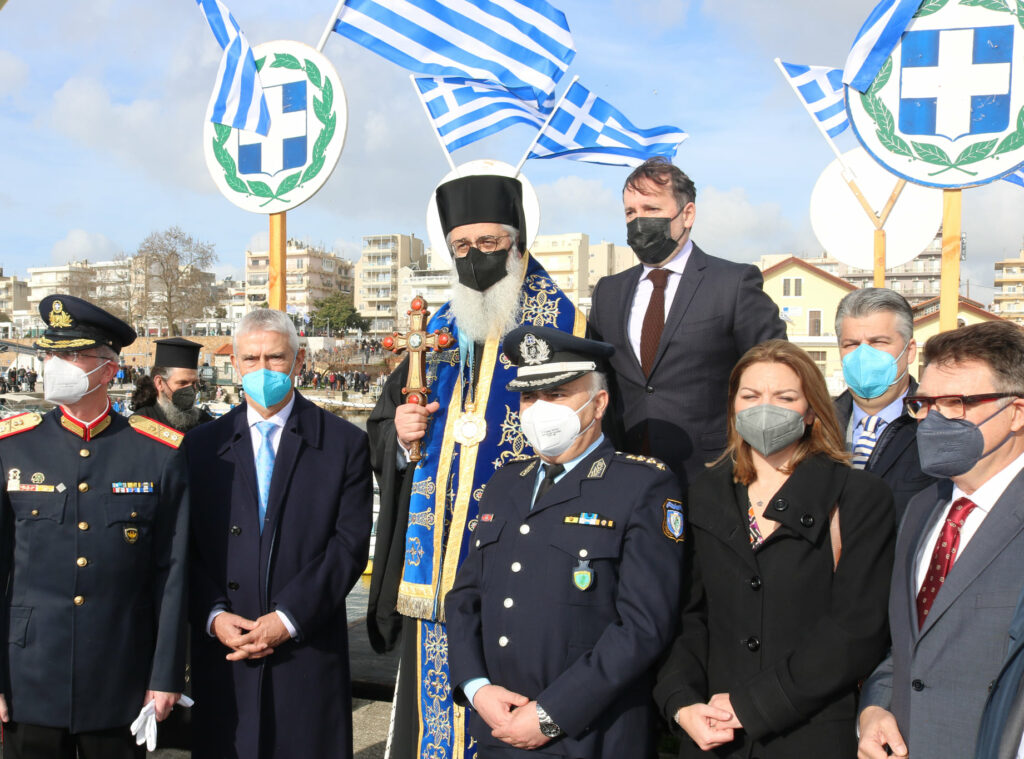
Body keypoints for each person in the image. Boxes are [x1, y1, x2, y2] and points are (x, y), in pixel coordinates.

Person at [367, 173, 584, 759]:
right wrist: (404, 438)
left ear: (517, 242)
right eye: (461, 247)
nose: (476, 257)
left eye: (489, 243)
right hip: (436, 561)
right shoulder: (433, 328)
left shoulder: (563, 326)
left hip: (522, 560)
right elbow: (385, 427)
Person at [445, 326, 684, 758]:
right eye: (529, 397)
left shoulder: (642, 485)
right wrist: (477, 689)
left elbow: (644, 625)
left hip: (590, 735)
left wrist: (552, 712)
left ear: (599, 403)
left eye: (557, 395)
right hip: (497, 729)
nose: (539, 410)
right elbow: (465, 598)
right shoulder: (505, 482)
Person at [654, 340, 895, 758]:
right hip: (713, 735)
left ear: (811, 410)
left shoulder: (858, 496)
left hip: (810, 735)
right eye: (750, 396)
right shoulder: (706, 492)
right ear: (733, 408)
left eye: (785, 397)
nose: (765, 407)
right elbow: (687, 616)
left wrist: (753, 705)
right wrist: (681, 702)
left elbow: (857, 629)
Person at [0, 294, 188, 759]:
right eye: (50, 354)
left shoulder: (158, 452)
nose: (53, 365)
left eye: (70, 355)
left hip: (120, 677)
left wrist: (165, 676)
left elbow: (173, 572)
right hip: (28, 675)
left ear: (107, 369)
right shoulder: (12, 446)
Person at [186, 309, 372, 759]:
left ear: (299, 361)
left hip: (305, 646)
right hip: (224, 649)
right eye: (251, 359)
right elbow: (183, 548)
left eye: (276, 357)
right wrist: (213, 615)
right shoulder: (200, 446)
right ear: (235, 364)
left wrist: (287, 619)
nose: (263, 369)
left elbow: (347, 547)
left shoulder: (343, 442)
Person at [858, 321, 1024, 759]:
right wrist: (875, 708)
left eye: (956, 403)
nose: (932, 419)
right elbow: (908, 646)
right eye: (923, 403)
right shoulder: (923, 508)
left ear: (1017, 413)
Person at [588, 157, 786, 490]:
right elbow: (596, 376)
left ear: (688, 214)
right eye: (630, 212)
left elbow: (777, 371)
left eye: (651, 209)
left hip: (713, 474)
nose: (638, 221)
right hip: (625, 473)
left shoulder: (733, 283)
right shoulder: (608, 291)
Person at [832, 288, 935, 521]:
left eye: (878, 342)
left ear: (909, 351)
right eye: (851, 344)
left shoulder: (936, 424)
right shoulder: (816, 423)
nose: (863, 354)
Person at [131, 337, 214, 433]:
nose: (191, 389)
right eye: (182, 383)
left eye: (194, 383)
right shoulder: (139, 425)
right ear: (159, 383)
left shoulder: (205, 422)